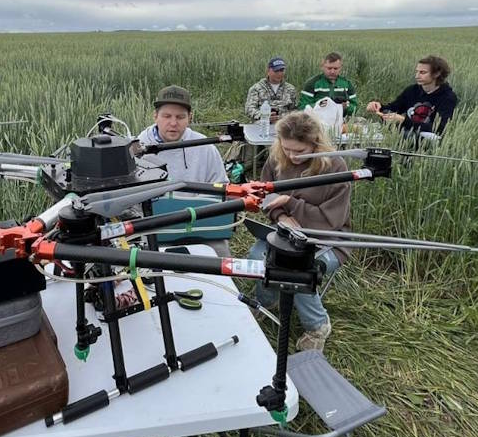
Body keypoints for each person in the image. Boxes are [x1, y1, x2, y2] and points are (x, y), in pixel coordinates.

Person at [247, 111, 352, 353]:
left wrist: (291, 203)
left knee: (295, 267)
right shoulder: (276, 158)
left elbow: (332, 221)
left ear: (315, 143)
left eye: (300, 151)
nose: (292, 156)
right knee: (257, 257)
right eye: (287, 149)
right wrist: (281, 215)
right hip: (283, 232)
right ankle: (266, 302)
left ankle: (317, 326)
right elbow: (264, 196)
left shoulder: (335, 166)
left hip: (327, 238)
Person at [137, 85, 230, 257]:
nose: (173, 123)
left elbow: (222, 188)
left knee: (220, 252)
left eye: (180, 117)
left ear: (190, 118)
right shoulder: (137, 147)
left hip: (199, 224)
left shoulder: (205, 146)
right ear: (155, 116)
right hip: (153, 227)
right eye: (167, 116)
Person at [366, 55, 458, 138]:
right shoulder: (412, 90)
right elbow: (394, 108)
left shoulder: (448, 97)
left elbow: (439, 128)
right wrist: (378, 106)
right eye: (417, 71)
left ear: (436, 74)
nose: (417, 76)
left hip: (429, 141)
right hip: (406, 135)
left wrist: (403, 120)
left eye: (422, 72)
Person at [298, 52, 358, 117]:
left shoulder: (346, 84)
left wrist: (345, 107)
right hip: (317, 120)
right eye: (329, 68)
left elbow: (355, 107)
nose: (332, 71)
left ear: (341, 68)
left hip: (342, 119)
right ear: (323, 67)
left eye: (335, 68)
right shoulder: (312, 83)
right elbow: (302, 107)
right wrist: (321, 105)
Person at [244, 57, 298, 124]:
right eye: (276, 71)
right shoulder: (256, 88)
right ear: (268, 71)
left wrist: (282, 117)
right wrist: (264, 116)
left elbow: (295, 111)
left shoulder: (290, 89)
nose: (279, 74)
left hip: (284, 125)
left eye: (281, 71)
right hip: (262, 124)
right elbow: (249, 109)